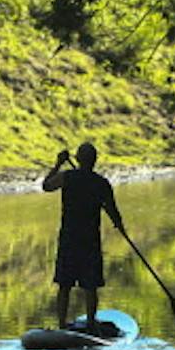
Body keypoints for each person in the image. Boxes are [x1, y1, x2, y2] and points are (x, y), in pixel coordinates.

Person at [41, 141, 124, 328]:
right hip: (89, 241)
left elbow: (46, 186)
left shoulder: (67, 177)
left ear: (77, 159)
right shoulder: (102, 184)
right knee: (90, 285)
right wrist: (119, 226)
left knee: (64, 284)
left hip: (69, 238)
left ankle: (62, 323)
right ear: (95, 161)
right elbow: (114, 212)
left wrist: (57, 164)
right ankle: (91, 321)